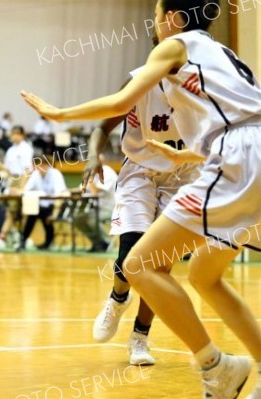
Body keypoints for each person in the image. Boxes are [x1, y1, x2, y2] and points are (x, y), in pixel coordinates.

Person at [22, 1, 261, 397]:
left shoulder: (176, 45)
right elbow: (241, 119)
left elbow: (118, 104)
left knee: (139, 264)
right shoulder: (225, 55)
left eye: (156, 14)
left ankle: (216, 366)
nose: (153, 23)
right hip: (241, 156)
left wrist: (58, 113)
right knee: (204, 274)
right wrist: (184, 155)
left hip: (237, 159)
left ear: (174, 19)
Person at [83, 35, 201, 366]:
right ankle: (118, 297)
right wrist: (94, 156)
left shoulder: (201, 86)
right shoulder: (139, 80)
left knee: (159, 265)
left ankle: (139, 338)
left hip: (184, 176)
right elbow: (102, 126)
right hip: (140, 172)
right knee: (132, 254)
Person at [17, 154, 68, 251]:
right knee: (33, 213)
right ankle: (24, 241)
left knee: (39, 213)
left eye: (42, 165)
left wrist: (54, 214)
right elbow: (25, 190)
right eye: (37, 165)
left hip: (57, 206)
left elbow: (59, 196)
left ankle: (29, 241)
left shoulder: (55, 174)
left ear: (47, 165)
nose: (40, 168)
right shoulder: (35, 174)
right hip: (41, 206)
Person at [74, 156, 118, 252]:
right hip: (95, 208)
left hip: (111, 208)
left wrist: (90, 179)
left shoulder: (108, 173)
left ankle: (106, 242)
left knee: (91, 219)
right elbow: (81, 189)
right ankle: (97, 243)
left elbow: (95, 192)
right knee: (77, 219)